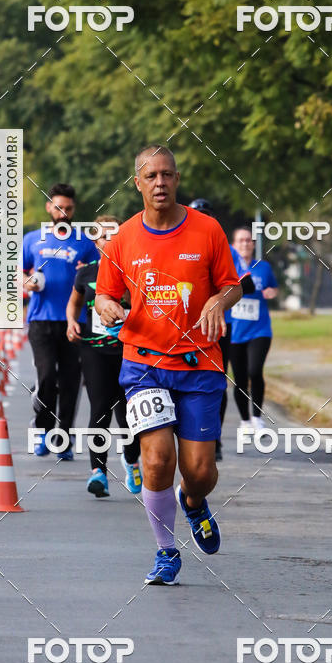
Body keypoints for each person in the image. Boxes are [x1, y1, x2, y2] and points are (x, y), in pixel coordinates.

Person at [95, 146, 242, 585]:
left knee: (200, 472)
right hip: (144, 364)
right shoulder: (123, 239)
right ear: (138, 183)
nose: (159, 182)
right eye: (151, 176)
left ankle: (193, 502)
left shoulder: (207, 229)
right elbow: (104, 294)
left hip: (200, 364)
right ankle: (165, 551)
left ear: (177, 179)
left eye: (167, 174)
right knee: (157, 460)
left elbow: (233, 286)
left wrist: (218, 301)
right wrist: (106, 306)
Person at [66, 215, 142, 498]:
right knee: (99, 409)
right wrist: (71, 322)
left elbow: (144, 306)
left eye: (114, 235)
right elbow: (73, 304)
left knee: (128, 414)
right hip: (94, 350)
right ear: (96, 242)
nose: (108, 241)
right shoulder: (86, 273)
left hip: (128, 350)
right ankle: (98, 471)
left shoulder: (134, 270)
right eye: (103, 236)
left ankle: (131, 460)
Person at [22, 183, 98, 461]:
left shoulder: (84, 243)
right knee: (46, 377)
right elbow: (17, 273)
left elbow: (98, 278)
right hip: (41, 321)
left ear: (73, 210)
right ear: (49, 207)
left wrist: (87, 274)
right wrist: (28, 282)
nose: (63, 213)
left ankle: (63, 438)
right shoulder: (32, 240)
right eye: (58, 207)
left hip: (74, 322)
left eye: (68, 208)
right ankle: (43, 430)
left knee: (70, 382)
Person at [188, 198, 255, 459]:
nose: (202, 219)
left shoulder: (226, 249)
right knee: (185, 382)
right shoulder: (177, 244)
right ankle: (187, 437)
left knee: (216, 382)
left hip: (219, 326)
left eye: (207, 214)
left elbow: (242, 284)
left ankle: (213, 439)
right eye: (197, 214)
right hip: (185, 327)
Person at [229, 226, 278, 430]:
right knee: (239, 378)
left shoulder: (263, 267)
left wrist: (271, 292)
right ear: (233, 245)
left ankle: (257, 417)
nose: (245, 244)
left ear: (253, 244)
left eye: (248, 240)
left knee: (255, 371)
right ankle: (245, 421)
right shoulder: (228, 267)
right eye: (241, 240)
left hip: (260, 330)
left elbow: (273, 287)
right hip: (234, 331)